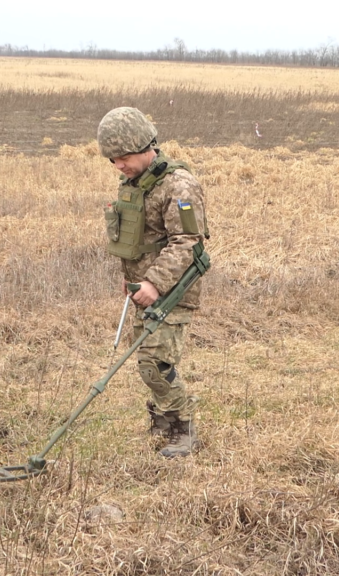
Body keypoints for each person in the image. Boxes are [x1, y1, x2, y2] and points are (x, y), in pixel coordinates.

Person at [97, 107, 209, 458]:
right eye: (112, 160)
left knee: (154, 361)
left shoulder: (180, 186)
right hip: (144, 291)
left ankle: (183, 428)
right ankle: (163, 419)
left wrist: (155, 284)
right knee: (148, 361)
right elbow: (139, 238)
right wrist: (131, 279)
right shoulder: (136, 182)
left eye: (124, 158)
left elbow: (187, 242)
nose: (119, 166)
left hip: (173, 291)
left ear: (146, 146)